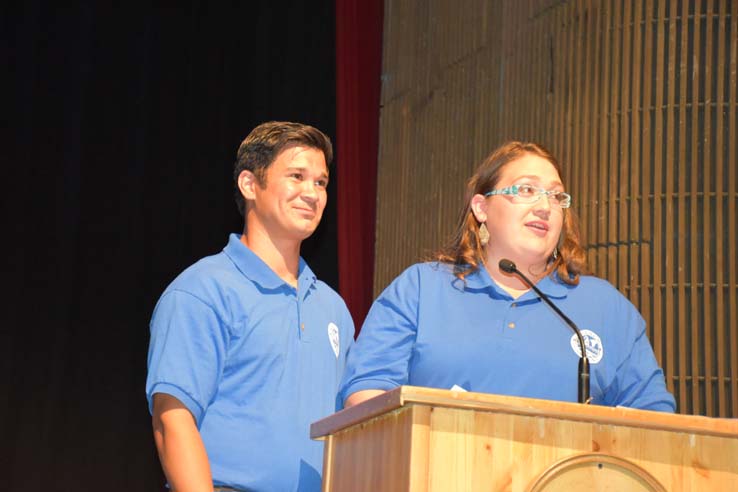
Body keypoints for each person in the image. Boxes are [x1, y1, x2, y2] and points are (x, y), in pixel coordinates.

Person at [338, 141, 675, 412]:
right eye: (526, 190)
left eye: (556, 196)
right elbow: (367, 393)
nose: (545, 206)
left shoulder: (605, 307)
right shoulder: (422, 289)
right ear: (481, 208)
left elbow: (653, 417)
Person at [146, 121, 354, 492]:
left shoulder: (334, 309)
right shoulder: (201, 291)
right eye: (297, 176)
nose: (312, 193)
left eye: (321, 182)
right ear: (249, 184)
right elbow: (172, 421)